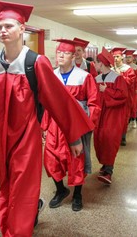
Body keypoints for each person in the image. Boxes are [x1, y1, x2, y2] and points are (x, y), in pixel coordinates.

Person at [0, 1, 95, 237]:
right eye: (0, 26)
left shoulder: (35, 63)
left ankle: (17, 230)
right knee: (6, 187)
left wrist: (74, 136)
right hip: (0, 138)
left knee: (23, 190)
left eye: (8, 25)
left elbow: (59, 101)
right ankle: (11, 226)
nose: (2, 30)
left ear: (22, 28)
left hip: (27, 138)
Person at [41, 38, 100, 211]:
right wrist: (44, 126)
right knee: (51, 159)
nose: (60, 55)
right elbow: (46, 103)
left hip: (76, 126)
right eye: (58, 52)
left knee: (77, 161)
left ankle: (77, 195)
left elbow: (94, 103)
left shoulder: (83, 77)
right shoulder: (51, 75)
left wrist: (86, 123)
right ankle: (61, 190)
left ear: (73, 56)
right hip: (54, 125)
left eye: (65, 53)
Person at [94, 47, 128, 184]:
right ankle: (104, 164)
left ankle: (109, 171)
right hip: (99, 115)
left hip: (112, 116)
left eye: (96, 63)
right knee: (100, 139)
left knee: (109, 140)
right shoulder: (96, 78)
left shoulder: (117, 78)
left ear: (100, 64)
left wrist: (106, 90)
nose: (95, 66)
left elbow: (123, 96)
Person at [111, 47, 136, 146]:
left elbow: (130, 82)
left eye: (117, 56)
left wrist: (120, 75)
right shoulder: (111, 69)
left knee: (123, 118)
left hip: (125, 98)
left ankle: (123, 137)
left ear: (122, 57)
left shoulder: (128, 69)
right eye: (114, 57)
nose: (115, 59)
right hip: (113, 97)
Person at [124, 50, 137, 128]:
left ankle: (134, 120)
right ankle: (127, 120)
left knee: (134, 105)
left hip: (134, 90)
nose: (128, 59)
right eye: (126, 57)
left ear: (133, 58)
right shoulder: (123, 67)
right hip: (125, 90)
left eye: (129, 57)